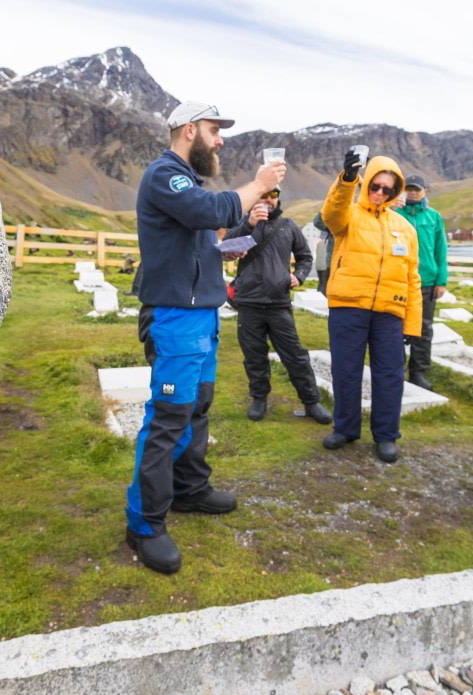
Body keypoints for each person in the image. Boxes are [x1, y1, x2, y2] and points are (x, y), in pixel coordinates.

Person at [126, 101, 286, 574]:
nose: (220, 142)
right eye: (216, 132)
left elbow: (206, 231)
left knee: (197, 409)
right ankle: (144, 524)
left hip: (203, 318)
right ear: (190, 130)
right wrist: (259, 182)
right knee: (168, 419)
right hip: (175, 321)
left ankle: (190, 489)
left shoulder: (187, 183)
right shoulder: (166, 175)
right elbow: (204, 209)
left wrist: (238, 232)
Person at [319, 150, 422, 463]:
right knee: (346, 371)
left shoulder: (405, 228)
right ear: (367, 187)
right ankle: (346, 427)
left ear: (395, 192)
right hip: (348, 306)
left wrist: (412, 325)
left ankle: (386, 435)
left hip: (389, 311)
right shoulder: (348, 215)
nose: (380, 193)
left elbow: (412, 278)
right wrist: (347, 180)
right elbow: (331, 213)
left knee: (390, 374)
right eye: (375, 186)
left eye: (387, 189)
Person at [223, 187, 332, 424]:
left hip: (278, 303)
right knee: (254, 355)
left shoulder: (289, 226)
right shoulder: (244, 223)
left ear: (278, 198)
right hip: (249, 303)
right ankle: (259, 399)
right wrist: (249, 224)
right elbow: (226, 248)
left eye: (272, 196)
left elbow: (305, 257)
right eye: (263, 196)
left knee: (295, 355)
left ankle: (311, 402)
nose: (268, 200)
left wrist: (299, 276)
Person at [394, 175, 448, 391]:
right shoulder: (394, 214)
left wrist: (441, 280)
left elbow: (441, 249)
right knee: (394, 327)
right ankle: (394, 370)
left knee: (424, 329)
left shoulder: (434, 217)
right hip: (399, 280)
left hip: (426, 282)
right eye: (409, 189)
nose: (413, 193)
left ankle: (418, 372)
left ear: (425, 190)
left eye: (417, 189)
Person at [312, 211, 334, 296]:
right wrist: (326, 208)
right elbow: (318, 222)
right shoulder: (334, 227)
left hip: (346, 265)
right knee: (324, 288)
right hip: (329, 265)